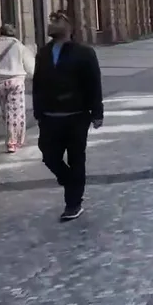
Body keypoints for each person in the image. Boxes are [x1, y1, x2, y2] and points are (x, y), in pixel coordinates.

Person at [33, 11, 103, 222]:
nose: (51, 23)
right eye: (51, 20)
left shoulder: (84, 53)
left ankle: (73, 203)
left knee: (76, 158)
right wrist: (38, 111)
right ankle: (71, 181)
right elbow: (37, 84)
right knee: (48, 155)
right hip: (49, 116)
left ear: (69, 25)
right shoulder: (43, 53)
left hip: (76, 116)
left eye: (57, 20)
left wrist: (97, 112)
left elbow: (94, 83)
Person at [0, 24, 35, 153]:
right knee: (16, 112)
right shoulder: (19, 46)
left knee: (6, 111)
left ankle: (13, 137)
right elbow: (31, 66)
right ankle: (13, 141)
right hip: (16, 81)